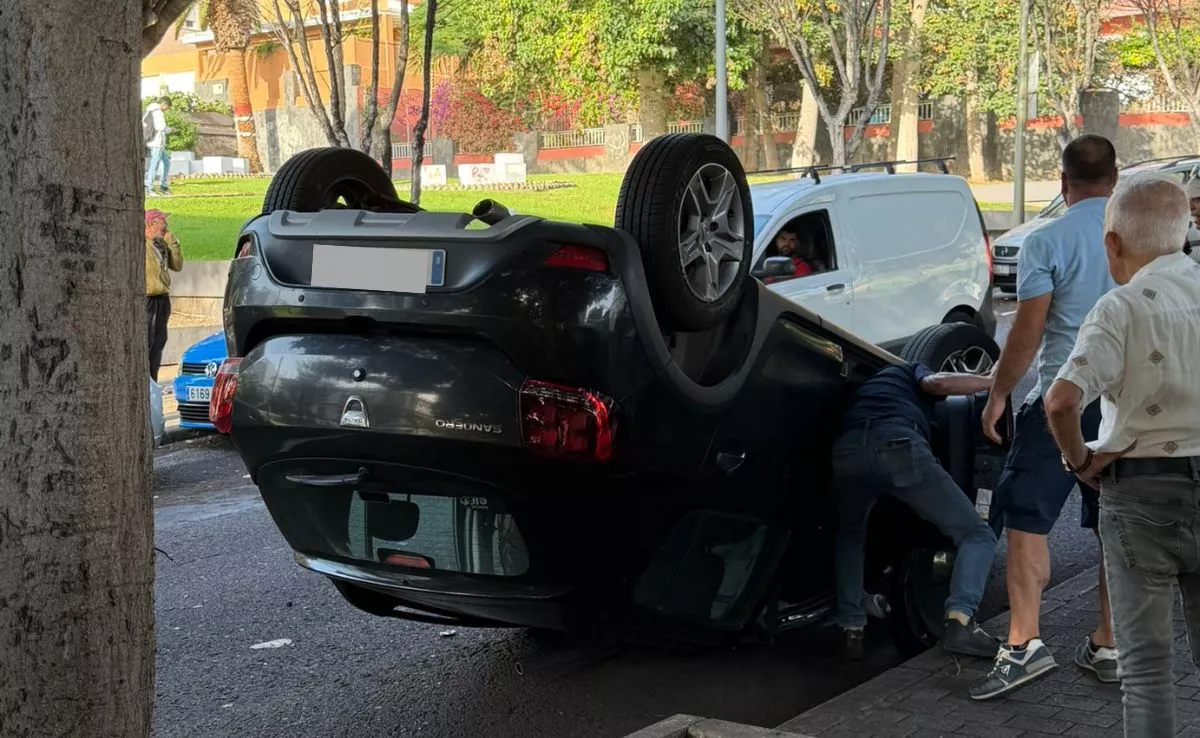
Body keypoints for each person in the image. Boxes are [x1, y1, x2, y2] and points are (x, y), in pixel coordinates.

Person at [1045, 174, 1200, 736]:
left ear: (1112, 243)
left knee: (1148, 669)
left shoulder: (1121, 309)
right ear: (1185, 232)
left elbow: (1061, 400)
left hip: (1140, 494)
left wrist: (1079, 460)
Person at [974, 134, 1119, 700]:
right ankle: (1108, 644)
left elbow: (1028, 334)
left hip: (1064, 398)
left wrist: (997, 394)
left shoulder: (1047, 239)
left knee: (1025, 520)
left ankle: (1023, 643)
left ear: (1062, 183)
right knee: (1111, 523)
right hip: (1122, 405)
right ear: (1114, 177)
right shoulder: (1136, 237)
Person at [833, 361, 1000, 661]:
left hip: (847, 451)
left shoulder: (865, 390)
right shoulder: (909, 369)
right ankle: (960, 622)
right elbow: (939, 384)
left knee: (850, 537)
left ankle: (851, 626)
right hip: (897, 444)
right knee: (976, 534)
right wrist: (992, 381)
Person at [145, 209, 183, 380]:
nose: (166, 226)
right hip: (148, 299)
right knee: (148, 340)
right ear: (150, 224)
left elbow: (177, 265)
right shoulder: (142, 244)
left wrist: (173, 244)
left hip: (162, 298)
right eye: (162, 222)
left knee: (159, 341)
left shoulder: (161, 244)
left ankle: (153, 377)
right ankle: (146, 377)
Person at [143, 96, 173, 197]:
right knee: (154, 165)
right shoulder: (158, 112)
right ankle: (149, 187)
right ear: (164, 105)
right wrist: (171, 130)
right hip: (157, 142)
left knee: (166, 162)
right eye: (167, 107)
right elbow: (161, 127)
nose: (167, 109)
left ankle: (163, 185)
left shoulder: (150, 109)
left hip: (154, 142)